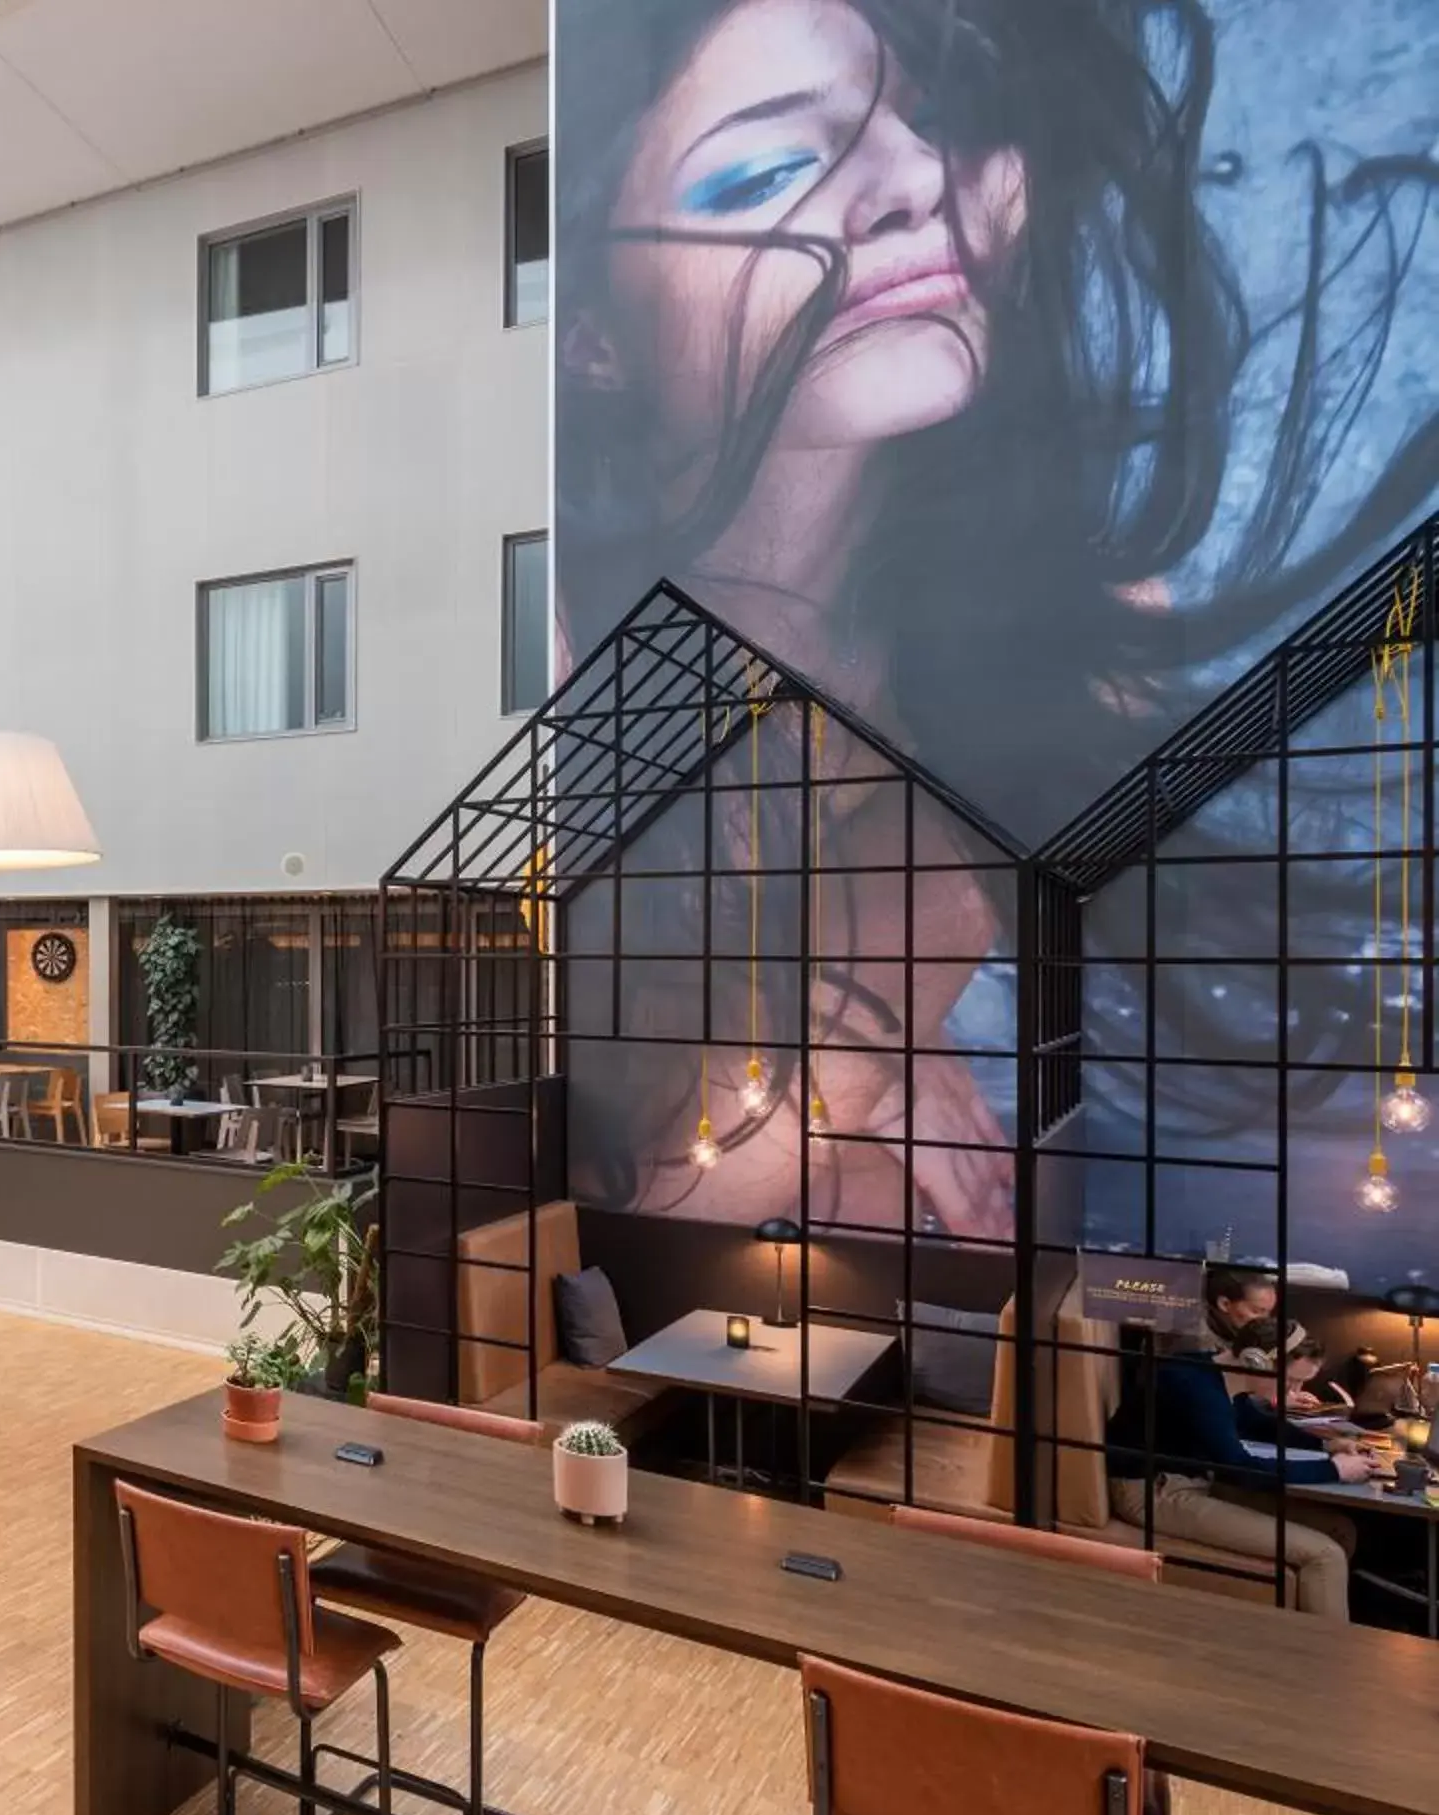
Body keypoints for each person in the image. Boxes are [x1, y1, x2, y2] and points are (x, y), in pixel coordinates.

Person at [553, 0, 1439, 1259]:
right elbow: (649, 1191)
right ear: (588, 334)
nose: (913, 182)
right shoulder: (577, 655)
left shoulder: (1061, 645)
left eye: (923, 121)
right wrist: (876, 1055)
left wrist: (870, 1045)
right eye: (773, 166)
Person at [1107, 1288, 1369, 1619]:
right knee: (1325, 1554)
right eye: (1291, 1382)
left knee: (1340, 1529)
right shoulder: (1196, 1389)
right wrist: (1334, 1470)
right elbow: (1239, 1467)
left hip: (1190, 1480)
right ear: (1256, 1361)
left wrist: (1325, 1445)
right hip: (1153, 1492)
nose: (1295, 1393)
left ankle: (1298, 1633)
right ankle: (1330, 1662)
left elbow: (1253, 1422)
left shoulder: (1216, 1373)